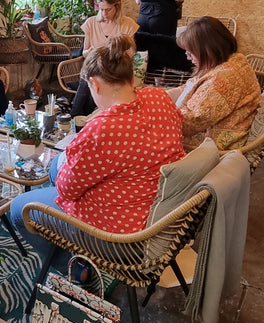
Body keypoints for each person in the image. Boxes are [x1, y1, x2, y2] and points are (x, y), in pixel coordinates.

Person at [10, 35, 186, 273]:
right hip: (160, 212)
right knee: (55, 168)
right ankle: (76, 252)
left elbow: (66, 190)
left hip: (122, 236)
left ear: (95, 84)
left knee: (20, 208)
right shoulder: (159, 98)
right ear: (132, 77)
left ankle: (73, 270)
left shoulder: (103, 129)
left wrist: (70, 156)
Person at [167, 16, 261, 151]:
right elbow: (189, 87)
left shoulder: (223, 79)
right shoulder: (233, 60)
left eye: (191, 53)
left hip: (212, 150)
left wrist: (154, 112)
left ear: (208, 51)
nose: (188, 57)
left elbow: (190, 123)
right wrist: (160, 96)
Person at [71, 0, 139, 117]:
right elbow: (84, 52)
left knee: (91, 85)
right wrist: (88, 52)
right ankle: (77, 119)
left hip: (114, 71)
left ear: (117, 7)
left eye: (108, 9)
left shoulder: (128, 25)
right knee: (89, 78)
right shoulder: (91, 23)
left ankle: (83, 120)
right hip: (93, 69)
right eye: (101, 9)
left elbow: (129, 54)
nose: (104, 13)